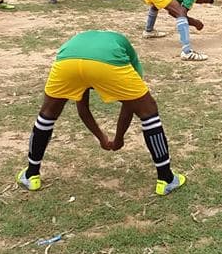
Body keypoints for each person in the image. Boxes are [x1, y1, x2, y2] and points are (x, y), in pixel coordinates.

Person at [16, 30, 186, 196]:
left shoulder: (86, 41)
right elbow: (130, 106)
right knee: (149, 111)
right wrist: (117, 138)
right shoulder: (126, 53)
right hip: (106, 60)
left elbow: (83, 108)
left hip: (67, 62)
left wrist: (104, 138)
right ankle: (166, 178)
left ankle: (32, 175)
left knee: (47, 115)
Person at [139, 0, 214, 61]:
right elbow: (181, 13)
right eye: (203, 1)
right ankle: (187, 52)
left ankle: (149, 31)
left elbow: (172, 12)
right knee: (180, 13)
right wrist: (195, 23)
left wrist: (190, 20)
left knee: (156, 5)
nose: (200, 3)